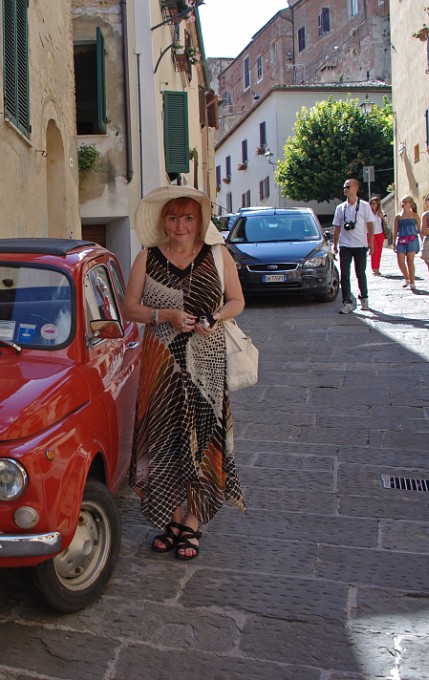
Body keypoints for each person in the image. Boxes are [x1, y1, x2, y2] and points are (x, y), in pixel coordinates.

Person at [124, 186, 246, 561]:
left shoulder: (217, 255)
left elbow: (237, 301)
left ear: (199, 222)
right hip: (161, 365)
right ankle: (172, 518)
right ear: (164, 221)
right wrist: (165, 316)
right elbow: (129, 308)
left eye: (188, 218)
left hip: (206, 366)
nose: (180, 225)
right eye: (173, 217)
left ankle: (192, 522)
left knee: (201, 438)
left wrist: (216, 317)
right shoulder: (147, 258)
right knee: (163, 440)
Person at [332, 178, 376, 313]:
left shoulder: (364, 206)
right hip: (345, 245)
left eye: (348, 187)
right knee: (344, 274)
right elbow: (337, 228)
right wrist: (335, 245)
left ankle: (364, 299)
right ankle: (347, 302)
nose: (345, 189)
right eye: (344, 187)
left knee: (360, 273)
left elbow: (370, 225)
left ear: (356, 188)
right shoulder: (340, 208)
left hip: (360, 245)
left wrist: (371, 243)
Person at [393, 195, 420, 290]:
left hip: (412, 240)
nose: (403, 203)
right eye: (402, 201)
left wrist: (423, 242)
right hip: (401, 239)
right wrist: (394, 242)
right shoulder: (398, 216)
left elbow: (419, 230)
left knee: (410, 261)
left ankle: (412, 281)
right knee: (400, 261)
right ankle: (407, 278)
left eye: (405, 201)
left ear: (410, 204)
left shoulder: (415, 215)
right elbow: (395, 230)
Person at [369, 196, 387, 276]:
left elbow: (385, 222)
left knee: (379, 251)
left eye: (373, 204)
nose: (372, 205)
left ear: (377, 204)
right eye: (371, 204)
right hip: (371, 234)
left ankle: (377, 267)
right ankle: (374, 268)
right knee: (374, 250)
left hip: (380, 234)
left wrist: (382, 216)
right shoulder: (368, 213)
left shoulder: (381, 212)